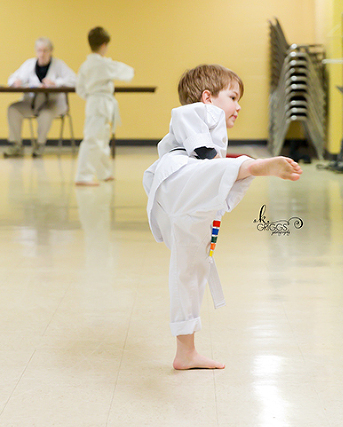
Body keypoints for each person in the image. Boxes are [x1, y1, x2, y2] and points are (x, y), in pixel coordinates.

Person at [143, 64, 302, 370]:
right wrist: (229, 164)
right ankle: (254, 166)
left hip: (190, 199)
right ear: (207, 97)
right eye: (232, 96)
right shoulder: (199, 112)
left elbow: (210, 163)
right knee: (223, 170)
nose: (238, 106)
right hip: (178, 177)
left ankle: (185, 352)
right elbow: (197, 144)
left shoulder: (210, 126)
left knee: (190, 269)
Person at [74, 27, 134, 186]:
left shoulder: (85, 65)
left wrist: (91, 97)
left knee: (101, 137)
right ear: (104, 45)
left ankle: (104, 172)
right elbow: (128, 73)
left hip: (94, 103)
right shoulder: (103, 64)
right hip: (101, 104)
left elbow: (79, 88)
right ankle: (83, 176)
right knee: (93, 139)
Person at [5, 37, 77, 158]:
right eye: (39, 50)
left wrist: (56, 82)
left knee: (46, 114)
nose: (42, 54)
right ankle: (16, 145)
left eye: (45, 50)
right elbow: (11, 79)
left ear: (51, 51)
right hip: (32, 103)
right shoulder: (29, 64)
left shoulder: (59, 65)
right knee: (13, 109)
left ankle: (40, 145)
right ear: (36, 51)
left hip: (53, 104)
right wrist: (15, 82)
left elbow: (74, 80)